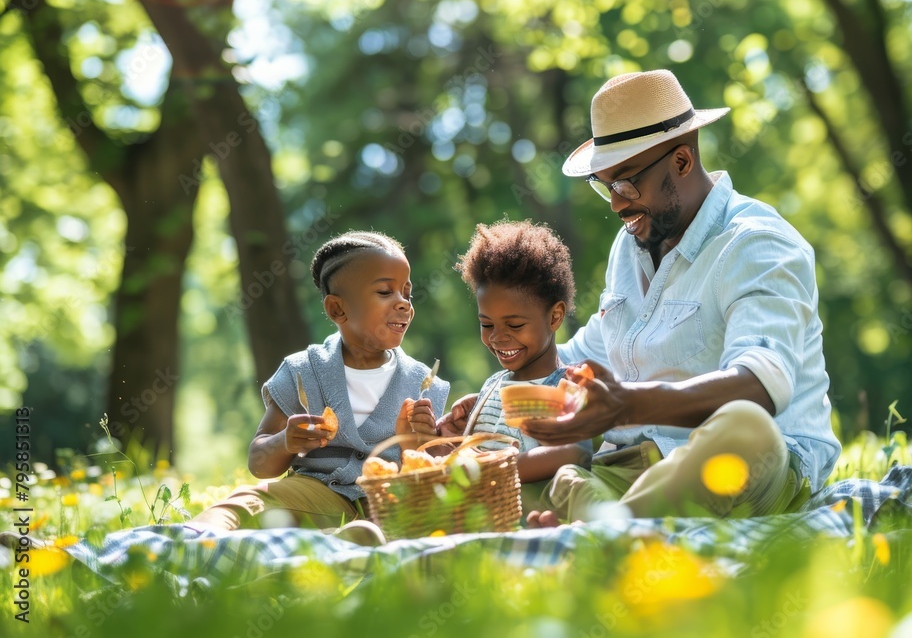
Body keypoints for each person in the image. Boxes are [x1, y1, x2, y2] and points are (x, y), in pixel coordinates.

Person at [521, 69, 842, 526]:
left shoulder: (756, 244)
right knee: (488, 486)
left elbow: (760, 386)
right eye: (604, 185)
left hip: (750, 465)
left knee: (747, 429)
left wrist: (628, 404)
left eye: (626, 182)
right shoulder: (631, 242)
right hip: (636, 471)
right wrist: (495, 397)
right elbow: (588, 355)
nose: (615, 204)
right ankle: (610, 526)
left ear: (683, 162)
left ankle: (598, 531)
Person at [190, 230, 449, 538]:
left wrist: (416, 445)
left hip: (391, 501)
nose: (403, 303)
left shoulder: (423, 383)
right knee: (249, 503)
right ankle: (194, 542)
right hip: (316, 493)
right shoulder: (304, 371)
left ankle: (334, 544)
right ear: (337, 309)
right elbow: (259, 463)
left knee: (429, 518)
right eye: (385, 292)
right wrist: (285, 440)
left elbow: (434, 469)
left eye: (406, 293)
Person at [437, 220, 592, 503]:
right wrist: (441, 441)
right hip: (474, 506)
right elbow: (465, 459)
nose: (498, 338)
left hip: (525, 507)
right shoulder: (491, 386)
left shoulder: (563, 386)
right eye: (487, 325)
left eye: (515, 325)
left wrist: (491, 470)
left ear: (555, 317)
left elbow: (575, 452)